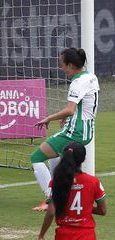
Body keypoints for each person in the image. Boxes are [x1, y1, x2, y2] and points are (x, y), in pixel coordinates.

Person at [31, 48, 100, 211]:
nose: (62, 69)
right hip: (87, 130)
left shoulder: (77, 82)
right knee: (56, 158)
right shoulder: (90, 76)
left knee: (36, 157)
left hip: (75, 130)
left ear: (70, 65)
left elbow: (70, 109)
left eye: (63, 65)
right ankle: (60, 193)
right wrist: (68, 116)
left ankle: (51, 199)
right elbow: (84, 105)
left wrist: (49, 118)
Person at [38, 142, 106, 240]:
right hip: (87, 235)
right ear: (83, 159)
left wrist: (41, 235)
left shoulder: (55, 182)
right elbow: (102, 211)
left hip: (64, 235)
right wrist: (85, 208)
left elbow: (51, 212)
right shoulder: (93, 181)